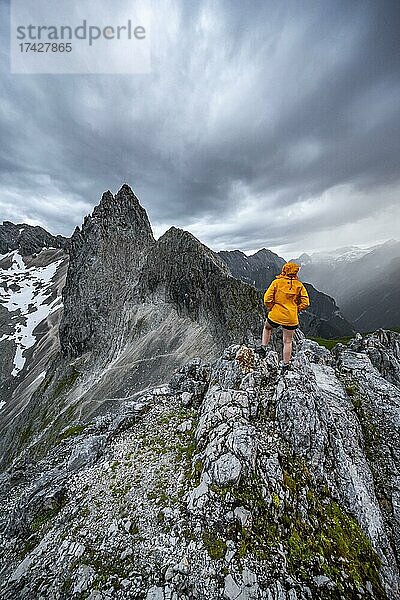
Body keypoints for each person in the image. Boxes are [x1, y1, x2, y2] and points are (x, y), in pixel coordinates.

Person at [257, 261, 310, 368]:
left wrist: (272, 307)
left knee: (267, 328)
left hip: (276, 314)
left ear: (284, 270)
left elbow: (267, 298)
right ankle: (286, 364)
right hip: (290, 317)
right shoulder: (299, 285)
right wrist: (296, 310)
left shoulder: (276, 282)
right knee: (287, 341)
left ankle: (263, 348)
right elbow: (306, 303)